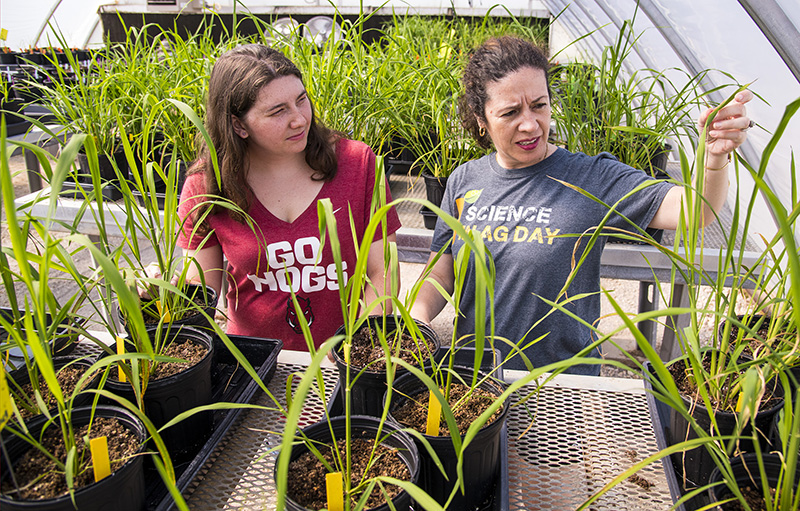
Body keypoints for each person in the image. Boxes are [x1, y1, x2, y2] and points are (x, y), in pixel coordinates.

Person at [409, 36, 753, 374]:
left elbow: (696, 210)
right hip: (476, 378)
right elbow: (443, 270)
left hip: (562, 381)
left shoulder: (590, 177)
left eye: (539, 105)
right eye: (510, 112)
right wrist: (418, 316)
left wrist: (713, 158)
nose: (530, 124)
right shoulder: (464, 180)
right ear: (481, 118)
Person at [177, 44, 401, 352]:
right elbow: (201, 290)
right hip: (253, 361)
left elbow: (382, 271)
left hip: (345, 359)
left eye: (301, 100)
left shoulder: (357, 163)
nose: (299, 120)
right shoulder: (206, 186)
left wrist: (360, 346)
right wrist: (161, 294)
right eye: (277, 111)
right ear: (238, 125)